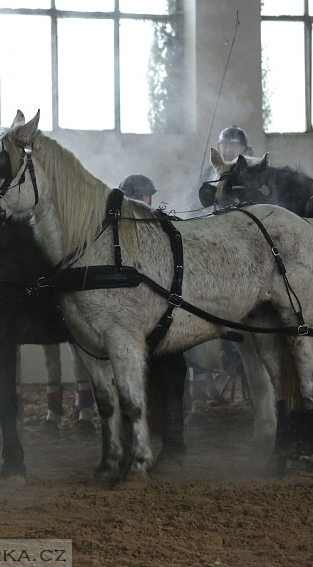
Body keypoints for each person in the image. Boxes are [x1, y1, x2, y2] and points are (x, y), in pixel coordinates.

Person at [119, 174, 187, 459]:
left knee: (171, 376)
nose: (146, 202)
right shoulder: (119, 233)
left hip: (164, 319)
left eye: (147, 197)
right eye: (143, 197)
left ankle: (173, 442)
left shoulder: (164, 226)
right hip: (138, 322)